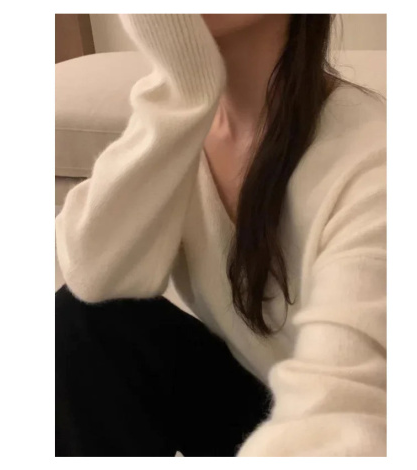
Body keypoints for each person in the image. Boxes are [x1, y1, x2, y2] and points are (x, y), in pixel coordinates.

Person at [55, 14, 386, 457]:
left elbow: (345, 428)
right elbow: (92, 271)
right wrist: (182, 91)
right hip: (259, 393)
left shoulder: (375, 163)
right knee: (82, 324)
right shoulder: (183, 126)